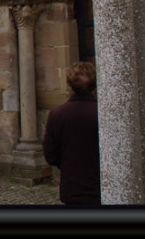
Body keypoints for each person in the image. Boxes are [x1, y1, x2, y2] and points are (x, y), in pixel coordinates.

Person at [42, 61, 101, 205]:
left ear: (69, 84)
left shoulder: (57, 114)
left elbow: (50, 153)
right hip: (102, 185)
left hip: (72, 185)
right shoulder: (104, 113)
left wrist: (68, 165)